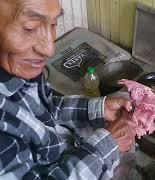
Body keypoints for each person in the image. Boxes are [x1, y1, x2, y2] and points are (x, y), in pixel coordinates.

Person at [0, 0, 137, 179]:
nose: (49, 50)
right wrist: (106, 147)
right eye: (29, 28)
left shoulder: (19, 68)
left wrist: (95, 109)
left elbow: (46, 108)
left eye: (53, 24)